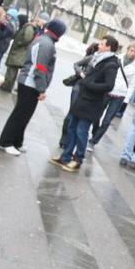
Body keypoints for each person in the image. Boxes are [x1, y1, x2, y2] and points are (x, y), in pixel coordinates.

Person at [0, 19, 66, 156]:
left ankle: (16, 141)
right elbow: (40, 68)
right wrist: (41, 89)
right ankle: (6, 142)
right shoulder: (47, 44)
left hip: (29, 81)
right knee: (20, 115)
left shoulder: (44, 40)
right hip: (30, 83)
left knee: (24, 115)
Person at [53, 36, 120, 171]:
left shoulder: (111, 64)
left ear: (109, 47)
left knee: (81, 131)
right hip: (82, 99)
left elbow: (109, 85)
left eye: (102, 44)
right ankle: (65, 157)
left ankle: (78, 160)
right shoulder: (97, 58)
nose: (98, 45)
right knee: (72, 127)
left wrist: (88, 84)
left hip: (92, 103)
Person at [89, 43, 135, 148]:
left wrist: (126, 100)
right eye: (131, 50)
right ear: (127, 50)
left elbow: (132, 85)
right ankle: (95, 132)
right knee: (96, 115)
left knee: (107, 120)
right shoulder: (117, 58)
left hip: (119, 96)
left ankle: (93, 141)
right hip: (107, 91)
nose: (133, 53)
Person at [0, 13, 45, 92]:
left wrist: (19, 43)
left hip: (19, 52)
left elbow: (27, 39)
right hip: (19, 52)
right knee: (12, 70)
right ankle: (7, 85)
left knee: (12, 70)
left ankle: (7, 86)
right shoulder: (30, 27)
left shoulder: (29, 27)